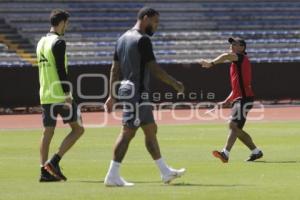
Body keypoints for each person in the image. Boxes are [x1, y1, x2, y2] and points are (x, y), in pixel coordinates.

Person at [104, 7, 186, 186]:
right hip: (136, 93)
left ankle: (165, 172)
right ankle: (112, 175)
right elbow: (155, 69)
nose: (156, 26)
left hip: (132, 91)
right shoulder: (142, 40)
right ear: (146, 18)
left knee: (150, 129)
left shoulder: (122, 39)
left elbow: (114, 69)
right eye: (155, 22)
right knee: (128, 132)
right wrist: (175, 84)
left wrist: (111, 96)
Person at [36, 9, 84, 182]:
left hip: (45, 94)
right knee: (78, 129)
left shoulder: (41, 42)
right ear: (62, 22)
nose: (67, 27)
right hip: (59, 95)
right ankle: (54, 162)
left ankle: (43, 170)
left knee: (47, 132)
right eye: (67, 23)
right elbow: (60, 70)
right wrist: (68, 94)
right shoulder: (59, 42)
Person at [199, 37, 263, 163]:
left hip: (244, 99)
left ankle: (225, 153)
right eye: (231, 43)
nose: (232, 45)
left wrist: (210, 63)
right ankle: (256, 152)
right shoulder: (237, 63)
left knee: (233, 125)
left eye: (235, 44)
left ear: (242, 48)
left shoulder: (240, 58)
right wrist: (227, 100)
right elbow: (237, 87)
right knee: (236, 129)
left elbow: (225, 56)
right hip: (241, 98)